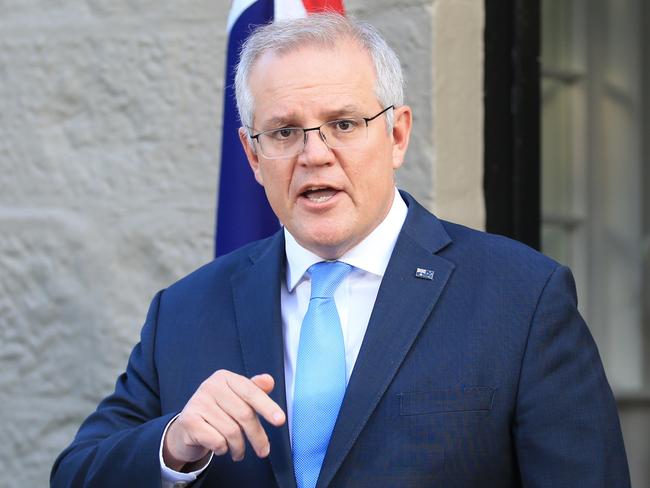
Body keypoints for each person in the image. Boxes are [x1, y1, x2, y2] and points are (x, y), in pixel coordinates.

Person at [51, 13, 630, 488]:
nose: (315, 154)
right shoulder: (183, 312)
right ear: (252, 157)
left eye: (344, 123)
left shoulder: (521, 298)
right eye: (283, 132)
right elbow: (75, 475)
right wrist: (173, 445)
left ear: (397, 135)